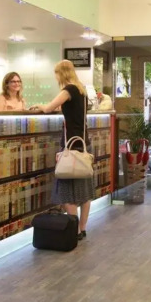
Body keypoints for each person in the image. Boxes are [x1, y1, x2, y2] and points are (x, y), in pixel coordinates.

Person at [30, 60, 93, 241]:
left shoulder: (68, 90)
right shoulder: (81, 90)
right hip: (84, 143)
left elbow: (49, 108)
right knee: (84, 190)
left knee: (66, 190)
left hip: (71, 146)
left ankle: (75, 230)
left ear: (61, 74)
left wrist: (39, 106)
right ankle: (82, 228)